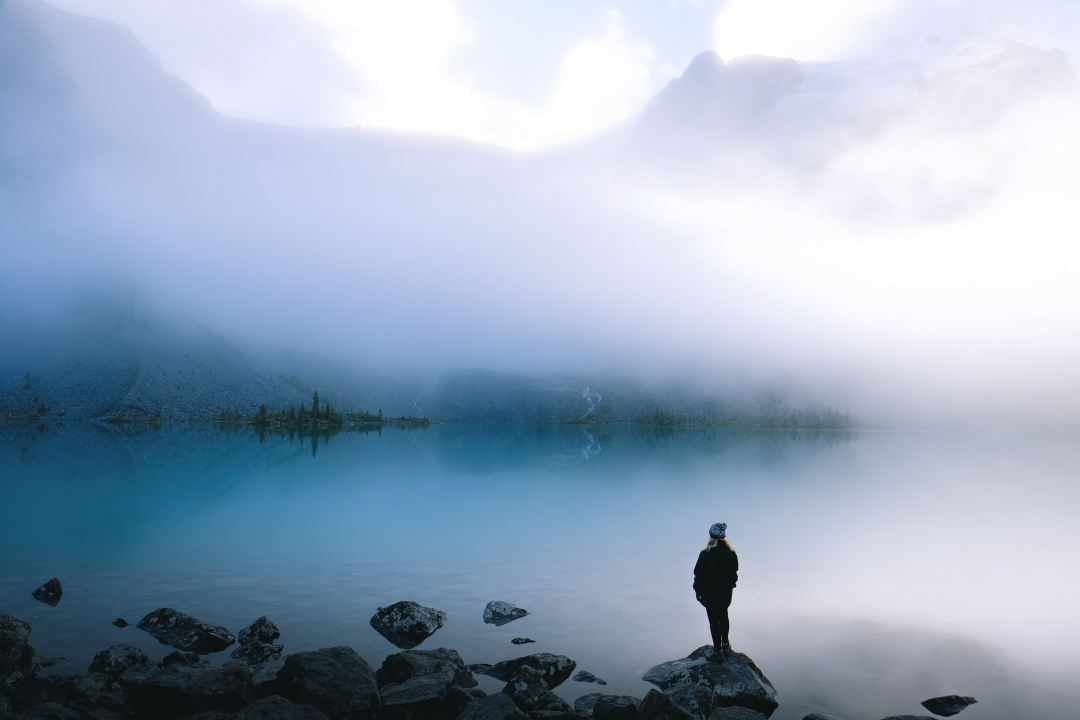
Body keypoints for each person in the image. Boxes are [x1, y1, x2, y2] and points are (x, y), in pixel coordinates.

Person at [693, 522, 738, 661]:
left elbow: (698, 575)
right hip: (725, 593)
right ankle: (726, 646)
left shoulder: (705, 554)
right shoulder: (731, 553)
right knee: (724, 616)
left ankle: (717, 651)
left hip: (710, 594)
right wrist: (730, 586)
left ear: (711, 536)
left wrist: (698, 592)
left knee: (714, 620)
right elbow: (734, 574)